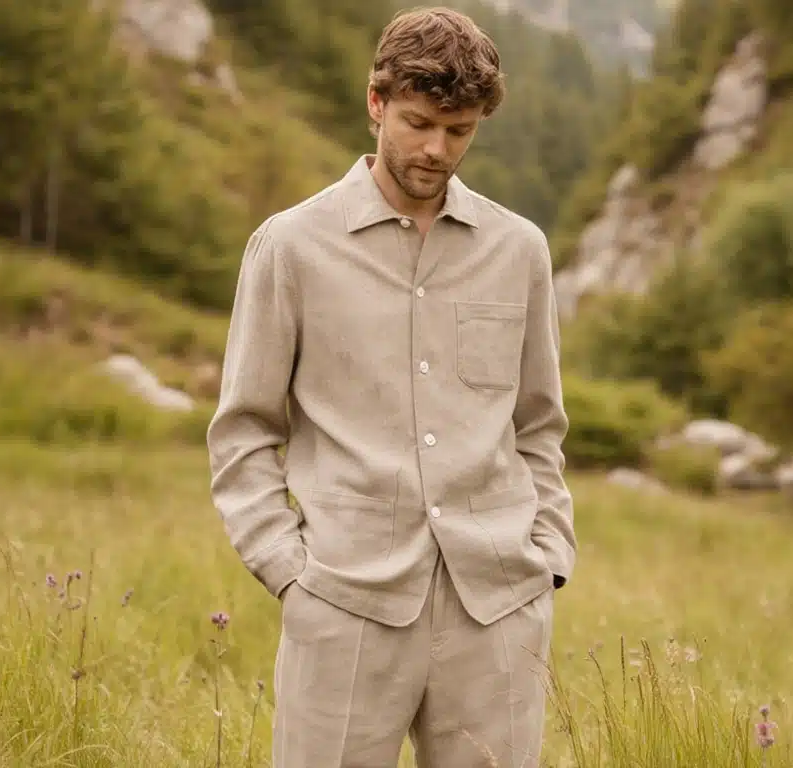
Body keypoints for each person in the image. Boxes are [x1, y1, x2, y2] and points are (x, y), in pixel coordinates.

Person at [206, 7, 576, 767]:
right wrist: (289, 573)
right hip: (344, 604)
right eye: (417, 124)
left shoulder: (520, 251)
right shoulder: (291, 247)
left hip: (498, 606)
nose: (437, 150)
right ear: (375, 102)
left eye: (460, 130)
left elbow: (538, 425)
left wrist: (549, 555)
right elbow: (244, 428)